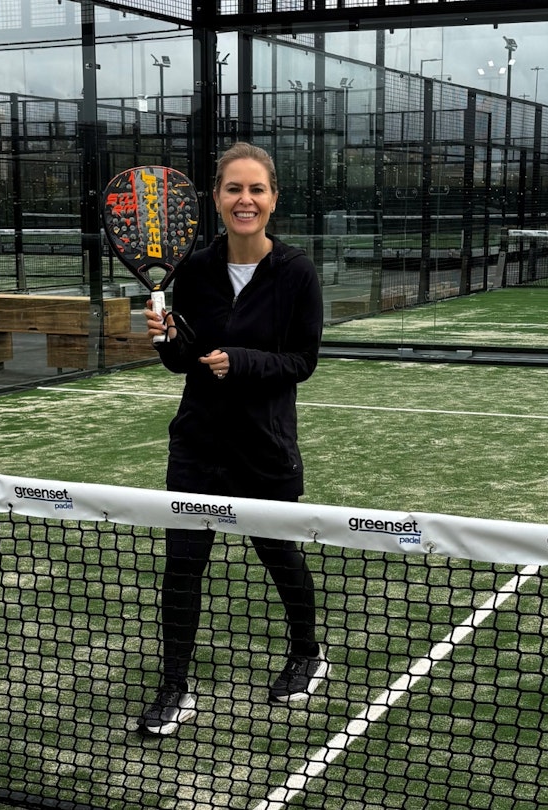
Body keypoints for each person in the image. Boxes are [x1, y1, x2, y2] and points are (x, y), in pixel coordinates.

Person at [137, 142, 327, 737]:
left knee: (278, 553)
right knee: (182, 567)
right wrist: (165, 339)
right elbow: (181, 362)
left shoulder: (297, 272)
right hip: (196, 444)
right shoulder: (191, 271)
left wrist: (240, 361)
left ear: (273, 199)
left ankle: (307, 653)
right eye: (233, 189)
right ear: (216, 200)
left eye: (256, 190)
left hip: (264, 447)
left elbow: (302, 361)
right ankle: (174, 686)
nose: (245, 200)